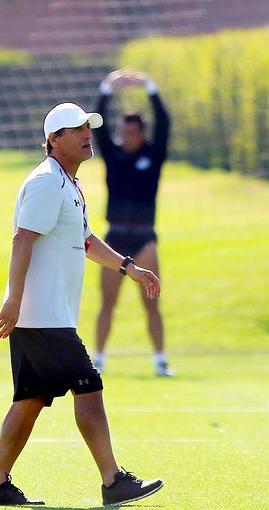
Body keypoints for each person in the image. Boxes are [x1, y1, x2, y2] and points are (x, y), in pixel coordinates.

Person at [0, 103, 164, 507]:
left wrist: (128, 267)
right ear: (53, 140)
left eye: (87, 127)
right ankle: (113, 480)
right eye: (75, 129)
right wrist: (12, 300)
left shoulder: (67, 184)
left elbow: (86, 241)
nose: (86, 134)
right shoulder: (47, 183)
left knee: (28, 401)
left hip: (46, 315)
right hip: (42, 315)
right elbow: (22, 240)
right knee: (89, 385)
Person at [92, 69, 172, 377]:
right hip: (115, 237)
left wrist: (150, 88)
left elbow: (164, 125)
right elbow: (97, 128)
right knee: (107, 302)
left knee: (151, 301)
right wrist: (106, 88)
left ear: (141, 134)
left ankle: (160, 360)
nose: (127, 137)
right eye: (123, 132)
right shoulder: (113, 155)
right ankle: (98, 359)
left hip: (143, 238)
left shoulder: (153, 155)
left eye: (133, 133)